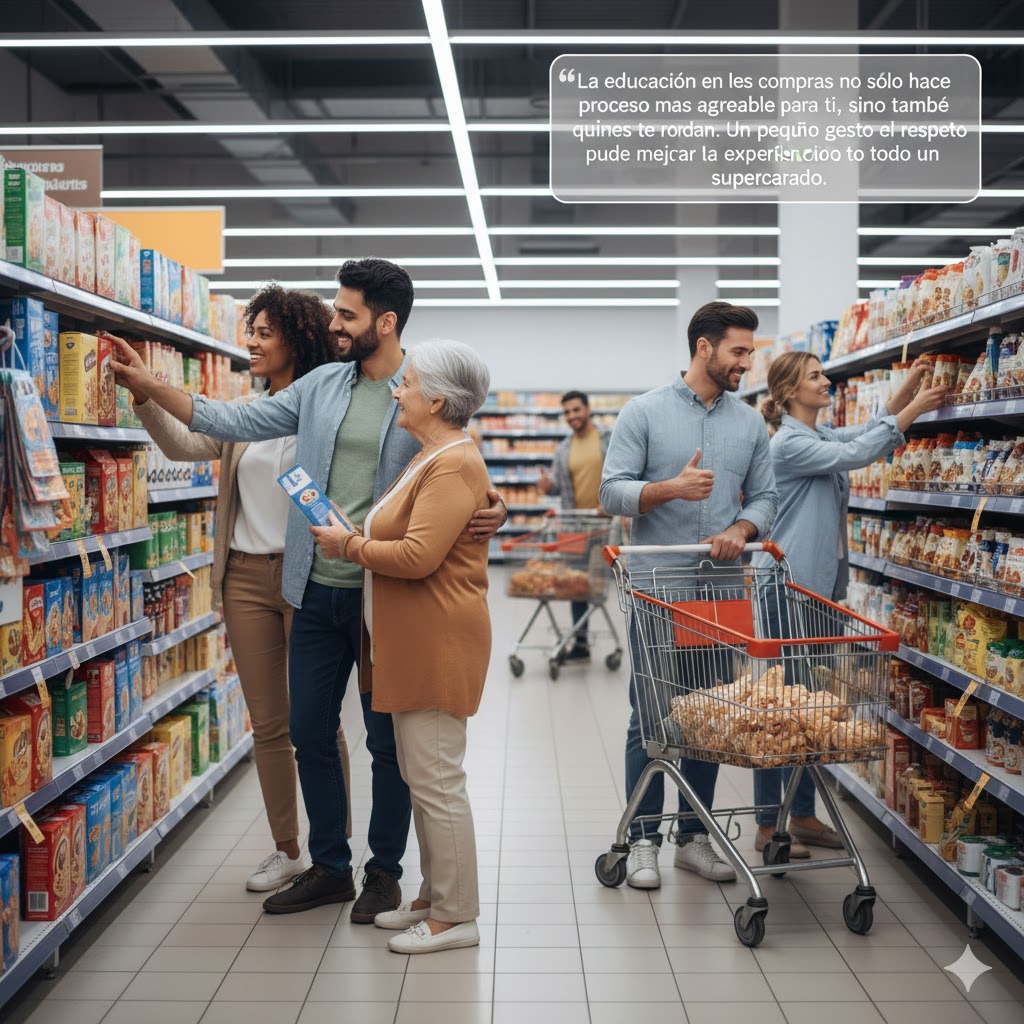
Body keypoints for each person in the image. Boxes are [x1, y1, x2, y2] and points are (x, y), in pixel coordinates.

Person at [110, 258, 506, 921]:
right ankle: (329, 865)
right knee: (309, 731)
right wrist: (149, 384)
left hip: (389, 599)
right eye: (333, 310)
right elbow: (226, 421)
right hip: (313, 588)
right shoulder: (321, 384)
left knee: (387, 745)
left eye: (346, 313)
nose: (333, 323)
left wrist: (497, 510)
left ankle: (384, 872)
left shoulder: (423, 391)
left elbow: (463, 469)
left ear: (386, 321)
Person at [102, 287, 355, 894]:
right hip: (242, 575)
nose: (251, 342)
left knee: (316, 724)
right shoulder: (246, 411)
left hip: (308, 576)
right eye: (250, 330)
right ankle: (287, 848)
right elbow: (186, 443)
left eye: (265, 332)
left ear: (297, 338)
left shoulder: (329, 412)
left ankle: (334, 851)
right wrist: (143, 395)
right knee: (268, 723)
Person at [311, 340, 491, 955]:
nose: (398, 391)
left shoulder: (452, 463)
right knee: (421, 774)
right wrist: (357, 532)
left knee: (437, 778)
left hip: (437, 638)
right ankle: (434, 897)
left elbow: (417, 557)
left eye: (408, 383)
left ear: (437, 400)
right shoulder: (429, 455)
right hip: (412, 639)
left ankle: (457, 916)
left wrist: (349, 547)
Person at [600, 301, 778, 889]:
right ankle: (644, 838)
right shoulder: (644, 412)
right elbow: (612, 493)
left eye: (749, 351)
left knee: (709, 713)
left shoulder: (750, 423)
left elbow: (765, 499)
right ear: (703, 346)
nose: (747, 363)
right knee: (650, 713)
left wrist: (740, 530)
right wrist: (667, 489)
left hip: (719, 589)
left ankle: (694, 838)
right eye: (738, 350)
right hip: (658, 587)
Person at [750, 352, 947, 854]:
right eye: (815, 376)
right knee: (783, 707)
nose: (827, 381)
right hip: (785, 587)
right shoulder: (791, 443)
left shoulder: (813, 435)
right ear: (791, 391)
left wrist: (907, 390)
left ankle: (804, 814)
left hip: (810, 587)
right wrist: (915, 410)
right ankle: (771, 824)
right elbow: (859, 452)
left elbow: (860, 432)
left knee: (807, 704)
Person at [537, 389, 610, 660]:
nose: (571, 416)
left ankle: (592, 638)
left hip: (604, 524)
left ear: (588, 409)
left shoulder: (607, 439)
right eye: (567, 412)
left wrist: (613, 505)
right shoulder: (563, 448)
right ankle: (580, 643)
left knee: (600, 586)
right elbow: (558, 487)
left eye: (576, 410)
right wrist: (548, 486)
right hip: (574, 524)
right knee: (576, 585)